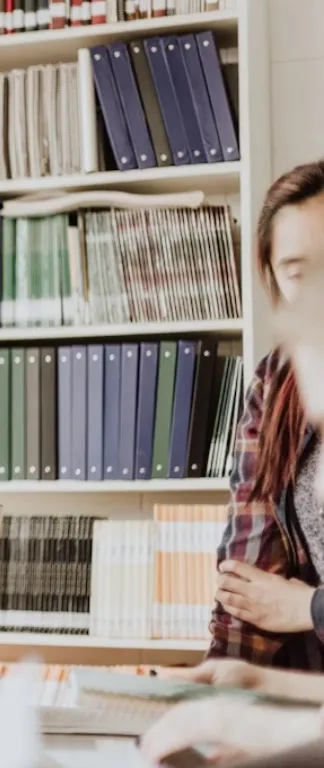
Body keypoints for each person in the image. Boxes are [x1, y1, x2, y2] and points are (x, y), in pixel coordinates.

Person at [208, 159, 324, 671]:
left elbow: (286, 604)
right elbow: (248, 577)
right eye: (300, 274)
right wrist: (220, 682)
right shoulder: (278, 381)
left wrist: (307, 607)